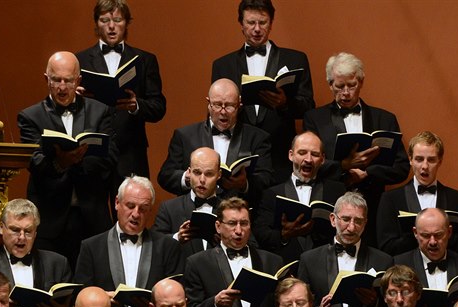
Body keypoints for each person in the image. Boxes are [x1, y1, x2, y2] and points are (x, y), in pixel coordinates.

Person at [17, 51, 118, 271]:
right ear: (46, 79)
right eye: (56, 80)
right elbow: (34, 162)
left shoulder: (100, 112)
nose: (62, 87)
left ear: (78, 81)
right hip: (50, 218)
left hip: (91, 215)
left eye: (68, 81)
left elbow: (109, 158)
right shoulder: (30, 116)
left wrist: (73, 161)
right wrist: (60, 163)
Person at [303, 52, 409, 248]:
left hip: (374, 210)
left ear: (361, 82)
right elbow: (307, 166)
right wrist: (344, 167)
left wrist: (367, 173)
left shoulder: (385, 119)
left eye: (351, 86)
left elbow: (402, 167)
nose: (345, 92)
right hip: (329, 210)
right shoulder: (314, 119)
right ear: (329, 84)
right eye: (339, 86)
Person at [211, 0, 315, 183]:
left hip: (281, 156)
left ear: (271, 23)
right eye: (251, 23)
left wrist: (284, 104)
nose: (257, 29)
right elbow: (212, 112)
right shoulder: (222, 65)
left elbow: (308, 107)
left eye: (263, 22)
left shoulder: (295, 59)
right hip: (238, 155)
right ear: (241, 24)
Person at [75, 176, 184, 307]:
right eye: (130, 206)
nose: (136, 214)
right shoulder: (91, 247)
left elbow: (178, 296)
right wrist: (101, 299)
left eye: (143, 208)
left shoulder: (168, 246)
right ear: (117, 203)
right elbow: (80, 297)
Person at [77, 0, 166, 182]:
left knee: (133, 209)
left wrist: (136, 106)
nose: (111, 26)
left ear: (126, 23)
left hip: (131, 153)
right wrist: (75, 98)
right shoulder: (80, 60)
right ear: (96, 23)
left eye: (117, 20)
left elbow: (158, 107)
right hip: (93, 153)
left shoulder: (144, 59)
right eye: (104, 20)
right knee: (94, 210)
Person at [183, 197, 283, 307]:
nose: (238, 230)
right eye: (232, 224)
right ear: (218, 226)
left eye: (244, 223)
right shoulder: (197, 263)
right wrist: (215, 303)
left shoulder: (272, 261)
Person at [157, 78, 274, 206]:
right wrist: (189, 177)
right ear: (208, 103)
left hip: (239, 214)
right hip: (195, 212)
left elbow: (266, 180)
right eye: (217, 105)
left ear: (239, 106)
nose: (223, 112)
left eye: (229, 106)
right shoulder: (184, 136)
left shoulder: (257, 138)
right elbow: (165, 176)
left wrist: (244, 184)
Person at [297, 191, 393, 307]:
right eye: (346, 219)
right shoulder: (309, 259)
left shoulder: (383, 261)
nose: (352, 227)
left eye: (358, 221)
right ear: (333, 219)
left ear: (365, 223)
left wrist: (374, 304)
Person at [377, 131, 458, 259]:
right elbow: (385, 249)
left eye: (431, 160)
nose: (425, 166)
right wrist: (419, 235)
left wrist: (445, 235)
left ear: (440, 161)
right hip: (407, 274)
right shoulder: (390, 199)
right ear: (410, 160)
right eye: (419, 159)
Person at [253, 131, 346, 264]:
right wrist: (284, 234)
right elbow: (261, 234)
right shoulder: (271, 193)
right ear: (291, 155)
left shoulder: (337, 191)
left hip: (325, 267)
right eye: (302, 153)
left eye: (314, 154)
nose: (308, 159)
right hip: (286, 267)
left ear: (323, 159)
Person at [394, 208, 458, 304]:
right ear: (415, 233)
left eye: (439, 235)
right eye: (426, 235)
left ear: (449, 232)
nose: (433, 242)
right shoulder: (399, 264)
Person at [152, 147, 222, 259]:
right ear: (189, 172)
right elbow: (153, 248)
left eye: (209, 174)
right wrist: (177, 238)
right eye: (197, 172)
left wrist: (228, 242)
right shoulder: (169, 209)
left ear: (219, 175)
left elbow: (251, 248)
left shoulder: (230, 211)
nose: (202, 180)